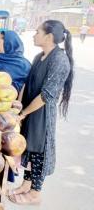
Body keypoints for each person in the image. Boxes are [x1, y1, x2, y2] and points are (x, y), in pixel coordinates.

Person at [8, 20, 74, 205]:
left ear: (49, 36)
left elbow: (46, 95)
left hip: (42, 114)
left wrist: (24, 113)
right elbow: (27, 84)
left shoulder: (60, 60)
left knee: (40, 152)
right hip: (30, 110)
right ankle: (25, 184)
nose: (33, 35)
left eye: (37, 32)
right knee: (29, 148)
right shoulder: (39, 57)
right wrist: (19, 107)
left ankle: (35, 192)